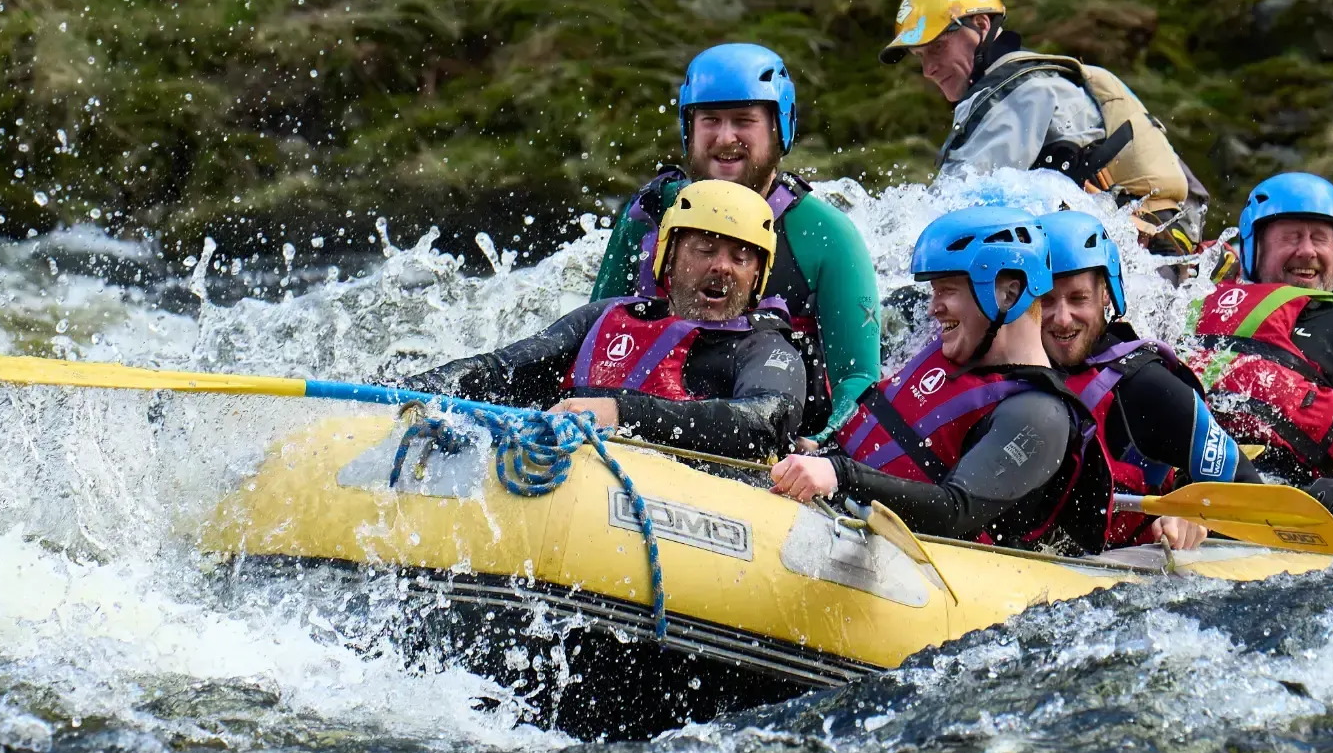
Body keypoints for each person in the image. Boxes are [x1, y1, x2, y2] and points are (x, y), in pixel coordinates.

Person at [589, 43, 881, 441]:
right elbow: (597, 329)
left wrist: (819, 447)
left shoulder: (828, 236)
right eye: (710, 120)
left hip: (760, 444)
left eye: (744, 121)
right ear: (688, 128)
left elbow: (859, 378)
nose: (725, 138)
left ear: (780, 128)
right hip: (636, 430)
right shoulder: (647, 215)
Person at [400, 181, 804, 461]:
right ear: (670, 256)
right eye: (704, 249)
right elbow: (503, 370)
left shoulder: (765, 348)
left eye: (740, 257)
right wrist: (415, 392)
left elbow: (765, 422)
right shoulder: (609, 316)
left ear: (757, 276)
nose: (722, 267)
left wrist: (621, 412)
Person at [768, 206, 1082, 546]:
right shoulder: (957, 351)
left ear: (1008, 294)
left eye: (947, 291)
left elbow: (955, 511)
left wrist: (841, 474)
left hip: (919, 570)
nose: (933, 308)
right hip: (833, 515)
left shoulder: (1039, 415)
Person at [880, 0, 1206, 254]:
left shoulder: (1020, 92)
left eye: (937, 47)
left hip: (1139, 254)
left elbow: (949, 209)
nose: (928, 69)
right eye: (920, 56)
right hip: (1153, 247)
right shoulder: (1038, 82)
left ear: (980, 25)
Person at [1188, 173, 1333, 521]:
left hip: (1294, 500)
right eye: (1291, 237)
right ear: (1254, 245)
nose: (1306, 251)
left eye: (1320, 238)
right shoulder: (1198, 306)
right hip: (1189, 490)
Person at [1038, 210, 1259, 553]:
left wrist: (1197, 518)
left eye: (1078, 298)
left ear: (1106, 296)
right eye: (1046, 300)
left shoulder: (1147, 386)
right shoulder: (1009, 366)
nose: (1062, 318)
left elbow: (1250, 496)